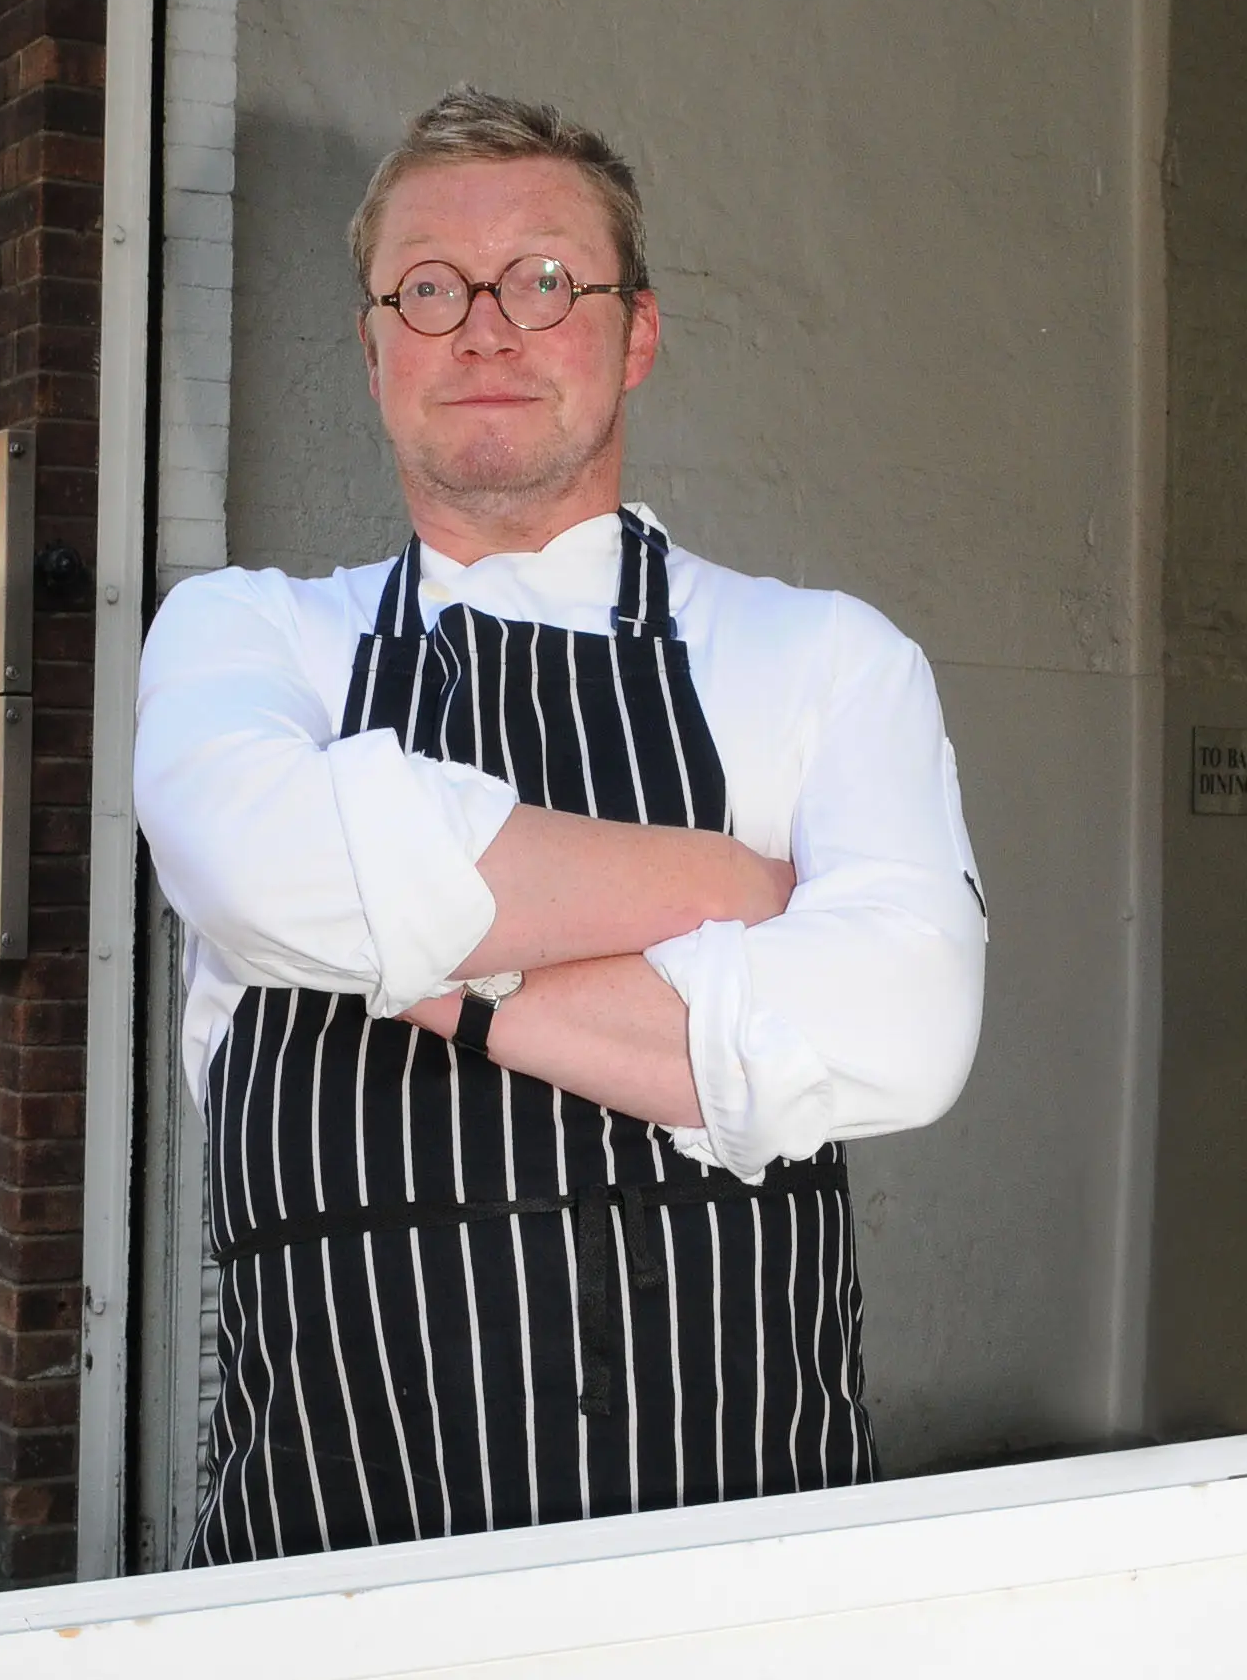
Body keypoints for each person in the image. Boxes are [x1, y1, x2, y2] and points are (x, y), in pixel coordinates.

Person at [134, 86, 986, 1567]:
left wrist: (459, 983)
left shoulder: (825, 660)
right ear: (374, 344)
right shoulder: (247, 637)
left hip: (731, 1592)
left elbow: (908, 1021)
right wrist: (725, 890)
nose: (486, 327)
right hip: (324, 1599)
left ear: (635, 332)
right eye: (429, 287)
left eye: (544, 280)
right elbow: (260, 858)